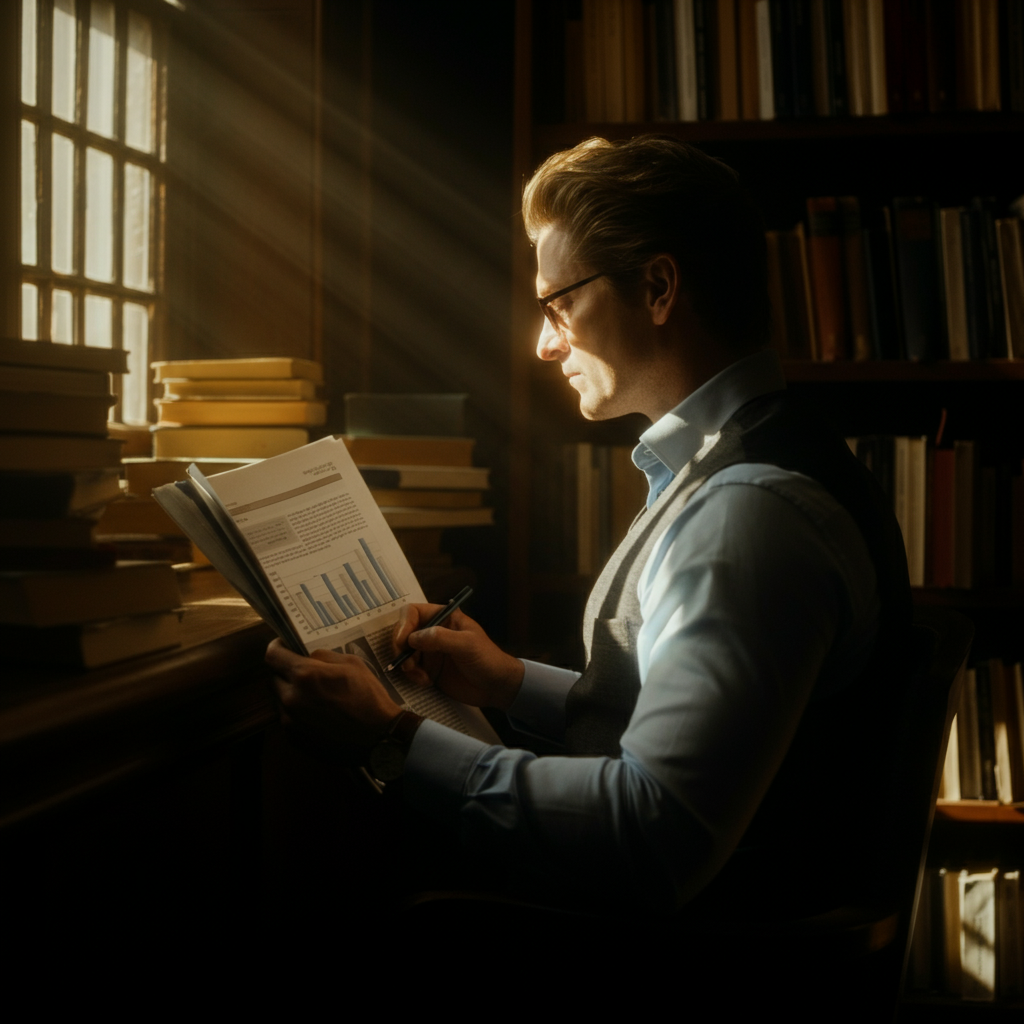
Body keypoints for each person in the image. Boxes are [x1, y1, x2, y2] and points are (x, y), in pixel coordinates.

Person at [266, 136, 911, 919]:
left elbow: (653, 829)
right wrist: (509, 682)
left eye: (559, 304)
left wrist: (392, 737)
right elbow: (699, 718)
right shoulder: (744, 466)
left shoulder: (749, 514)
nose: (543, 343)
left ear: (659, 287)